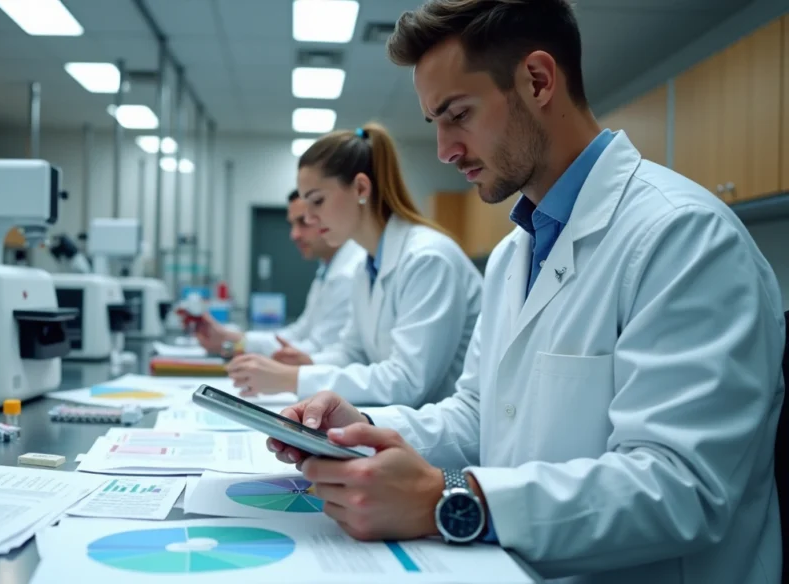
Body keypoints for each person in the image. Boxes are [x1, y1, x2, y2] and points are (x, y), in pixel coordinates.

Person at [266, 1, 786, 583]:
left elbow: (681, 486)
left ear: (537, 81)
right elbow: (479, 416)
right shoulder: (517, 251)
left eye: (456, 115)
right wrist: (356, 425)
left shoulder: (684, 237)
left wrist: (450, 498)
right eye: (435, 122)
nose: (444, 150)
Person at [226, 122, 483, 408]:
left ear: (361, 187)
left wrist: (293, 378)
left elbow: (407, 382)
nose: (309, 219)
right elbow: (352, 352)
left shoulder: (428, 259)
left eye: (317, 201)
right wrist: (309, 365)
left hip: (439, 441)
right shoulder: (367, 265)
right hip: (399, 426)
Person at [194, 190, 365, 357]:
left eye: (304, 222)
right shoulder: (328, 271)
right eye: (292, 224)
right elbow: (299, 333)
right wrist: (233, 339)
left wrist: (235, 345)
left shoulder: (348, 274)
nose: (294, 235)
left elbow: (318, 350)